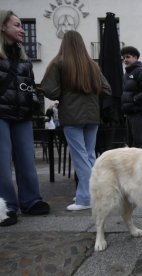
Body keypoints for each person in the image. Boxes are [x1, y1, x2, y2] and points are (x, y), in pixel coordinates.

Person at [41, 30, 112, 211]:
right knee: (88, 155)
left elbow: (49, 89)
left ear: (64, 43)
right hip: (92, 115)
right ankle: (87, 194)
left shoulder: (59, 62)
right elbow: (106, 88)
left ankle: (88, 198)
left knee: (80, 156)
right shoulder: (92, 65)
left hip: (72, 115)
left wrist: (62, 93)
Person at [0, 10, 50, 226]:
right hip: (1, 113)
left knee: (27, 160)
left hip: (23, 115)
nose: (22, 30)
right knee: (2, 162)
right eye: (17, 25)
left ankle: (30, 200)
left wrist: (33, 100)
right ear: (2, 27)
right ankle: (6, 206)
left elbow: (29, 86)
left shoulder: (24, 59)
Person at [120, 46, 142, 148]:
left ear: (135, 58)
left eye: (128, 57)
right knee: (131, 145)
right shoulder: (127, 74)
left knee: (139, 145)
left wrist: (135, 99)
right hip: (130, 114)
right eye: (124, 58)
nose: (125, 60)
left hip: (139, 114)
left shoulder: (140, 71)